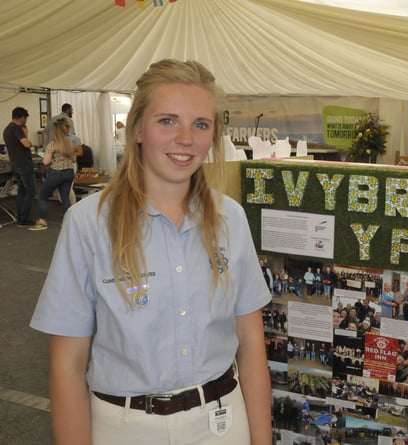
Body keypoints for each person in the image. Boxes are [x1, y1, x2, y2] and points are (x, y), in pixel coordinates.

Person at [30, 59, 272, 445]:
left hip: (222, 423)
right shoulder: (87, 224)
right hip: (123, 427)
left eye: (200, 124)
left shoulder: (231, 218)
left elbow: (252, 344)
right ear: (138, 128)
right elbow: (67, 367)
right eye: (167, 121)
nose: (186, 138)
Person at [30, 118, 76, 231]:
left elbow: (46, 162)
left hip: (56, 173)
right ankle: (68, 223)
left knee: (42, 195)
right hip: (69, 172)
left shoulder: (52, 144)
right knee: (65, 197)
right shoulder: (70, 143)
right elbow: (74, 160)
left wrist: (47, 160)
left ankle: (42, 221)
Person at [2, 107, 36, 227]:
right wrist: (27, 137)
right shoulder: (16, 129)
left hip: (15, 164)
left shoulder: (6, 129)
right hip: (24, 165)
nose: (26, 121)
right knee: (30, 191)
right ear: (22, 117)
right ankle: (23, 219)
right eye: (26, 118)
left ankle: (20, 216)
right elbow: (26, 144)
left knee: (22, 191)